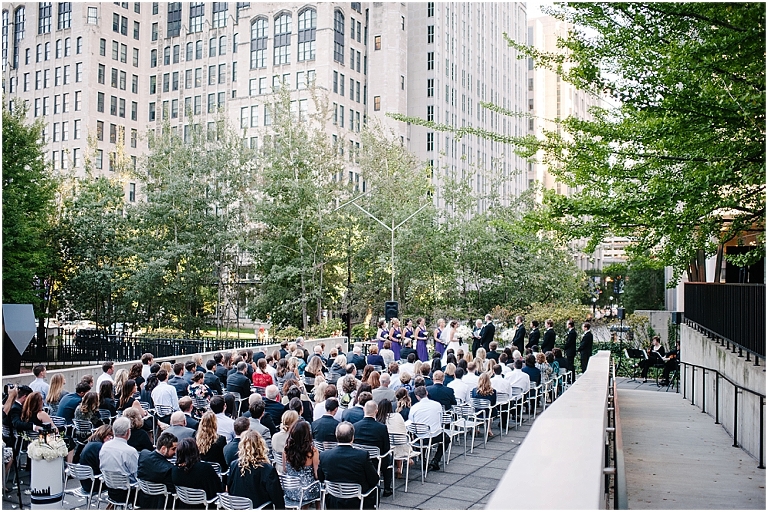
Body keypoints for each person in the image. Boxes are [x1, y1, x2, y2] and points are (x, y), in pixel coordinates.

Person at [318, 422, 380, 509]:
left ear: (336, 436)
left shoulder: (324, 455)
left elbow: (321, 478)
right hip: (358, 502)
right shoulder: (362, 455)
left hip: (334, 502)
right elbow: (374, 479)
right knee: (377, 488)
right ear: (352, 437)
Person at [227, 430, 285, 509]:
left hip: (237, 507)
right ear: (261, 445)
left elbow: (229, 488)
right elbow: (277, 497)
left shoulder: (233, 465)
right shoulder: (267, 469)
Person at [352, 400, 393, 496]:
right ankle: (387, 488)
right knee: (389, 459)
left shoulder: (355, 426)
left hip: (359, 459)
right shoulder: (382, 428)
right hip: (377, 461)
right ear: (376, 411)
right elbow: (386, 448)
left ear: (363, 409)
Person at [409, 386, 449, 472]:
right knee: (446, 439)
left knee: (417, 435)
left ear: (417, 396)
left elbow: (411, 422)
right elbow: (440, 419)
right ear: (426, 393)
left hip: (420, 437)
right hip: (435, 435)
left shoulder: (414, 408)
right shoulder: (437, 405)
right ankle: (436, 460)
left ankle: (423, 459)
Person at [99, 417, 138, 504]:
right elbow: (137, 475)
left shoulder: (105, 446)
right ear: (128, 432)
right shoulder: (130, 451)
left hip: (110, 489)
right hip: (128, 493)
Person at [171, 437, 222, 505]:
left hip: (183, 505)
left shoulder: (175, 470)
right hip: (205, 505)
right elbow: (217, 488)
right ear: (195, 451)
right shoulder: (205, 468)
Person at [283, 420, 321, 504]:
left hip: (290, 491)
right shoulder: (312, 451)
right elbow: (317, 475)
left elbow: (285, 470)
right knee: (320, 485)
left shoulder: (286, 450)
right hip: (307, 491)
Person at [136, 431, 178, 509]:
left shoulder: (143, 455)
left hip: (143, 500)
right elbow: (173, 490)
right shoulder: (168, 469)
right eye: (173, 449)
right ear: (163, 449)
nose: (175, 452)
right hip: (161, 504)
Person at [77, 425, 113, 493]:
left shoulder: (90, 444)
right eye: (109, 436)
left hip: (86, 482)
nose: (110, 438)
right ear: (103, 434)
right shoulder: (99, 447)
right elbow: (104, 467)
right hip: (95, 483)